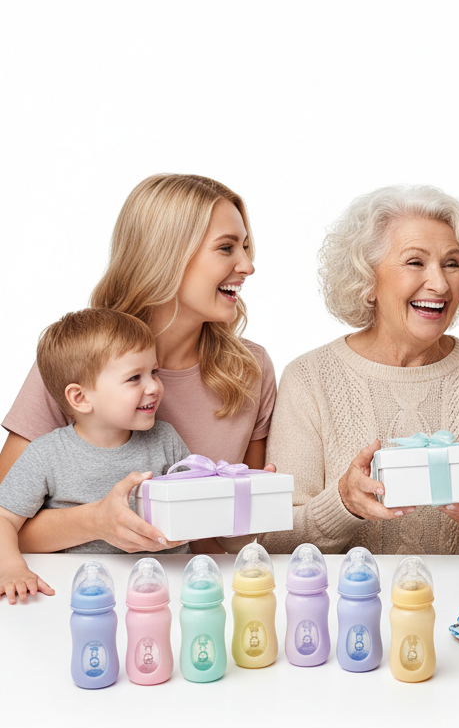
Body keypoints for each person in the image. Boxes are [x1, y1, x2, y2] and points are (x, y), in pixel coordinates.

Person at [1, 173, 276, 557]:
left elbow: (227, 540)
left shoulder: (250, 369)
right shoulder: (79, 359)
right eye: (226, 248)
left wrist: (252, 507)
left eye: (245, 247)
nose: (247, 266)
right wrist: (96, 521)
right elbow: (5, 526)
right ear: (167, 255)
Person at [259, 185, 459, 556]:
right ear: (368, 279)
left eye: (451, 263)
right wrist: (343, 504)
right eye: (415, 262)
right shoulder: (309, 378)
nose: (439, 284)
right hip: (351, 609)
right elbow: (274, 542)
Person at [1, 310, 191, 603]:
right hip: (83, 589)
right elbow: (3, 518)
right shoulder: (46, 455)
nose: (154, 387)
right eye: (134, 378)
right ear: (80, 398)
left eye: (154, 372)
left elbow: (196, 502)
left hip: (170, 585)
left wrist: (242, 488)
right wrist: (11, 567)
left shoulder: (166, 439)